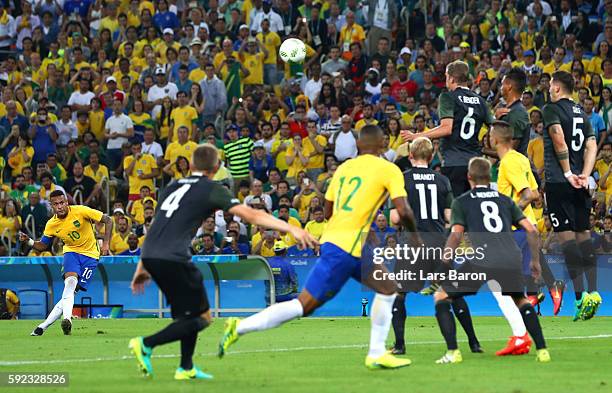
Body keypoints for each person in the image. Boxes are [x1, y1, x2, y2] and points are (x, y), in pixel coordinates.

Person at [219, 125, 420, 370]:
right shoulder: (389, 169)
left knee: (388, 289)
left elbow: (327, 211)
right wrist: (416, 238)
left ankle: (377, 353)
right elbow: (405, 210)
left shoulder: (345, 168)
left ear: (358, 145)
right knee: (303, 305)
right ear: (382, 145)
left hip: (344, 242)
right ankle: (238, 327)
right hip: (344, 250)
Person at [128, 144, 316, 380]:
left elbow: (157, 226)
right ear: (216, 167)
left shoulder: (172, 186)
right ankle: (146, 344)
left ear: (192, 164)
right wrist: (290, 228)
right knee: (202, 318)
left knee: (187, 315)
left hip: (154, 254)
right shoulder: (211, 188)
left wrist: (142, 265)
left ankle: (185, 368)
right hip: (174, 257)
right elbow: (251, 215)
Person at [430, 157, 550, 364]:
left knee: (441, 296)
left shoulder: (463, 201)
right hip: (510, 257)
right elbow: (531, 229)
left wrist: (445, 262)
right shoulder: (505, 200)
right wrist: (535, 262)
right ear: (489, 177)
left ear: (469, 177)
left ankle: (453, 352)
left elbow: (456, 234)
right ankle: (542, 351)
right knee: (520, 300)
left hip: (482, 260)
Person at [388, 136, 482, 356]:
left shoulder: (402, 179)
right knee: (452, 293)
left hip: (413, 243)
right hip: (439, 242)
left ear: (410, 155)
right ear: (431, 157)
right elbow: (450, 216)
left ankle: (400, 345)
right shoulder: (442, 181)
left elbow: (394, 217)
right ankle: (474, 342)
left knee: (399, 294)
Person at [542, 70, 601, 320]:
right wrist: (585, 175)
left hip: (559, 181)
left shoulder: (551, 109)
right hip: (581, 182)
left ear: (556, 87)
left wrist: (567, 173)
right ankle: (594, 292)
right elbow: (591, 145)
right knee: (584, 235)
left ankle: (580, 299)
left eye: (549, 85)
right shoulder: (582, 112)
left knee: (567, 240)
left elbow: (559, 140)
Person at [23, 191, 113, 336]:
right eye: (56, 204)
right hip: (71, 253)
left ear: (66, 202)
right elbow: (43, 246)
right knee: (70, 284)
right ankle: (67, 319)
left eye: (62, 202)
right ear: (51, 206)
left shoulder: (81, 211)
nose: (59, 206)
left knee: (70, 292)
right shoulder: (52, 224)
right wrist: (29, 241)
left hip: (91, 256)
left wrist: (106, 243)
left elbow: (108, 220)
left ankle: (42, 327)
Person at [401, 60, 493, 197]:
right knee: (474, 208)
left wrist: (417, 136)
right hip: (475, 163)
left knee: (455, 210)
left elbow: (446, 128)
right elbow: (495, 128)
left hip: (453, 162)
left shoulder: (448, 97)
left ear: (451, 78)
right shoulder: (480, 101)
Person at [265, 240, 299, 305]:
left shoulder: (267, 262)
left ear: (274, 251)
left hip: (269, 296)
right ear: (285, 251)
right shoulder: (288, 264)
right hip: (284, 296)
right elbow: (294, 281)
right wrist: (294, 290)